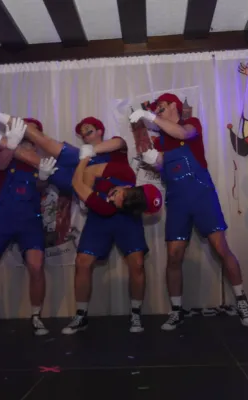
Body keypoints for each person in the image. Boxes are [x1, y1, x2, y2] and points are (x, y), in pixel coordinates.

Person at [129, 93, 248, 331]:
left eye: (161, 107)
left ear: (174, 105)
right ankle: (176, 311)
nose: (158, 110)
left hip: (201, 194)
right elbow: (162, 168)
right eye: (156, 109)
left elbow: (182, 134)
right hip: (177, 199)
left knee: (221, 247)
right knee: (173, 255)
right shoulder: (160, 142)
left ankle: (241, 300)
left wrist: (149, 116)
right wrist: (153, 159)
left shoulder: (191, 124)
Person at [0, 91, 158, 214]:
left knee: (35, 160)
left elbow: (82, 178)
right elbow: (119, 143)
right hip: (84, 165)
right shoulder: (123, 169)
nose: (112, 198)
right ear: (128, 187)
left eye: (115, 202)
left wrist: (84, 169)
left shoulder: (108, 206)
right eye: (118, 195)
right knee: (44, 140)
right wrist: (90, 152)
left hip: (77, 176)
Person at [60, 118, 163, 335]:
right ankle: (81, 315)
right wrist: (83, 161)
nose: (86, 133)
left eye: (89, 129)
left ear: (100, 130)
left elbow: (120, 143)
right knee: (83, 261)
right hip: (100, 213)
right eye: (82, 133)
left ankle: (136, 313)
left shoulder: (117, 155)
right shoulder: (101, 199)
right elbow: (77, 182)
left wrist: (88, 153)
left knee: (137, 263)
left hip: (126, 215)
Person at [0, 117, 50, 340]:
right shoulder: (7, 150)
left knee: (36, 266)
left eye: (31, 132)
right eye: (24, 130)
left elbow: (42, 186)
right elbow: (1, 164)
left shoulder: (41, 159)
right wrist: (12, 144)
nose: (27, 135)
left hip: (30, 220)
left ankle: (36, 316)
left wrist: (44, 177)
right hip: (2, 219)